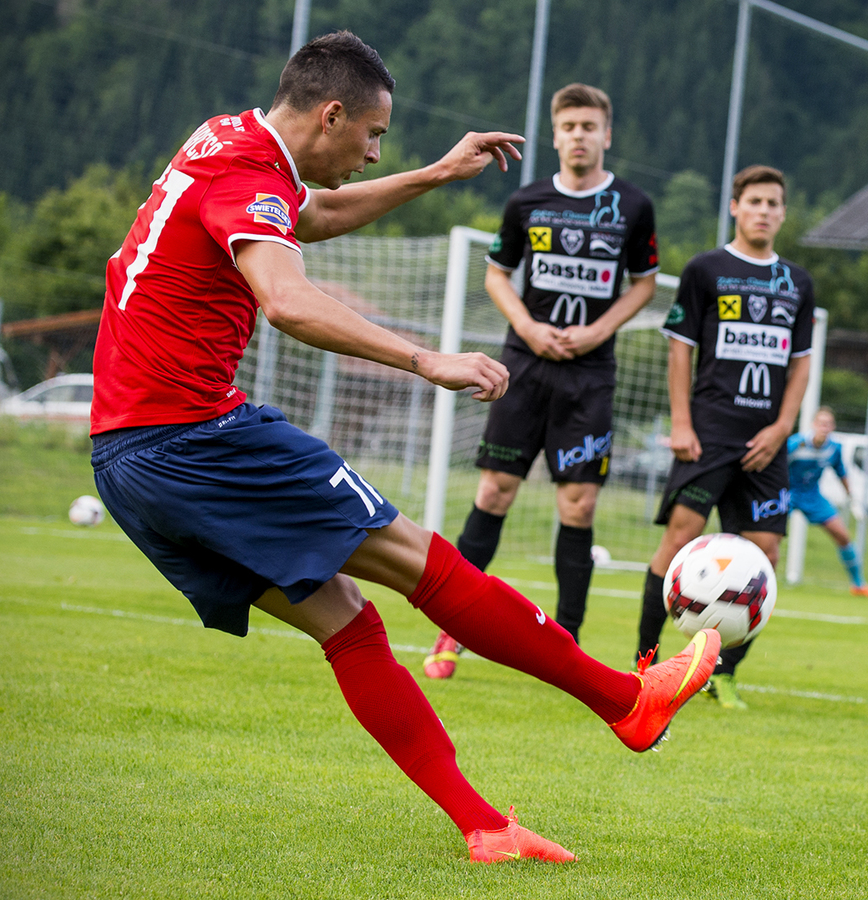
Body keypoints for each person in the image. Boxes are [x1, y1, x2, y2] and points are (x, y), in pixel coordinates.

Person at [89, 32, 718, 864]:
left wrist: (433, 176)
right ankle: (627, 701)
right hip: (196, 436)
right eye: (374, 135)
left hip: (126, 461)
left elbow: (310, 218)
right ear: (332, 114)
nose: (375, 153)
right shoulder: (246, 172)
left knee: (348, 623)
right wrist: (427, 359)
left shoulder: (229, 142)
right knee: (426, 563)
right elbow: (287, 300)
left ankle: (487, 829)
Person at [425, 83, 658, 677]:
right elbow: (497, 274)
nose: (579, 136)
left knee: (578, 504)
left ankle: (567, 646)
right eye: (569, 126)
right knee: (494, 492)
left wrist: (597, 331)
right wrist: (528, 328)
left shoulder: (633, 206)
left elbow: (644, 285)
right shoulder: (527, 200)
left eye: (590, 126)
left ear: (607, 135)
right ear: (555, 136)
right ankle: (452, 631)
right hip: (523, 368)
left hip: (590, 375)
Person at [636, 164, 814, 711]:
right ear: (735, 207)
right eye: (754, 201)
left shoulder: (797, 282)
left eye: (773, 203)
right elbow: (680, 349)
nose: (764, 211)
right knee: (680, 539)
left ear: (783, 213)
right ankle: (644, 664)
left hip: (766, 441)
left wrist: (782, 428)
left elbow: (801, 364)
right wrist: (682, 422)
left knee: (766, 553)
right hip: (709, 432)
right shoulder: (705, 269)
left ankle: (724, 674)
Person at [787, 406, 868, 598]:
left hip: (812, 496)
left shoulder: (833, 449)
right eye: (821, 423)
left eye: (828, 424)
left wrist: (852, 499)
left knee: (843, 536)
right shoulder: (795, 444)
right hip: (787, 493)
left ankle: (858, 585)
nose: (825, 427)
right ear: (813, 424)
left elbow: (841, 472)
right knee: (770, 537)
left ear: (833, 427)